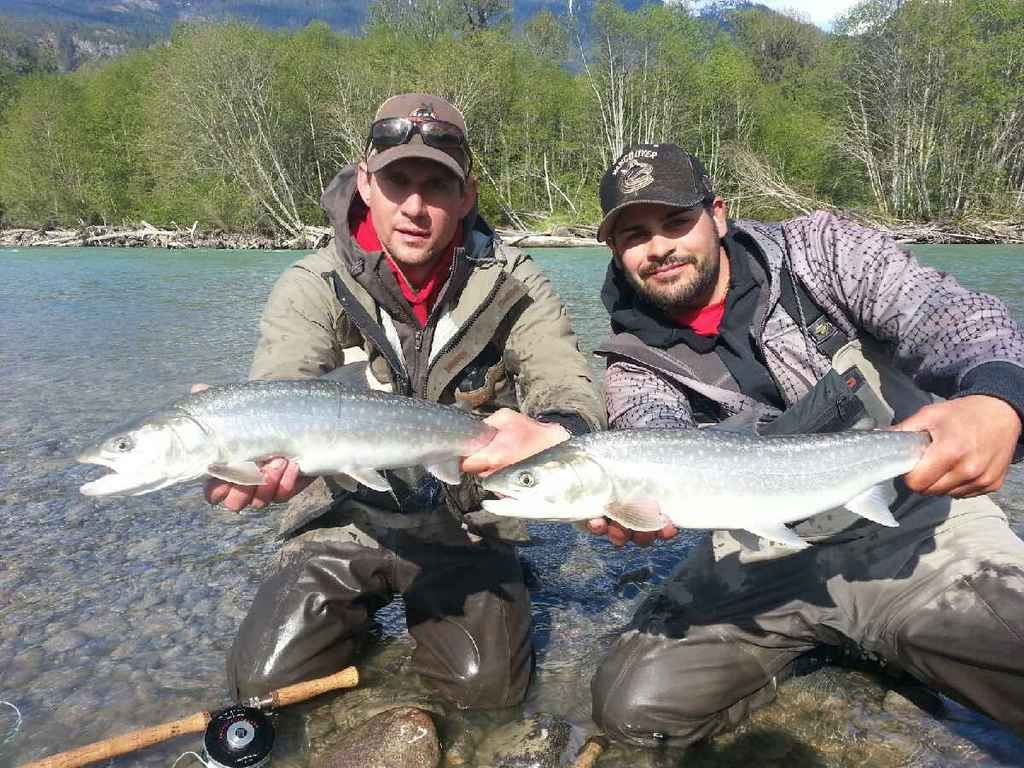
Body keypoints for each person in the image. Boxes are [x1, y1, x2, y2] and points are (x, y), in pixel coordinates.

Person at [587, 143, 1024, 745]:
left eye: (676, 222)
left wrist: (997, 399)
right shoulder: (631, 364)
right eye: (634, 234)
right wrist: (632, 512)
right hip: (766, 555)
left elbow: (954, 317)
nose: (658, 247)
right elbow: (647, 443)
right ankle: (812, 670)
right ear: (613, 250)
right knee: (630, 708)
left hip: (918, 525)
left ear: (718, 215)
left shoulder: (823, 252)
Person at [207, 93, 604, 708]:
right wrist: (249, 446)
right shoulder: (313, 285)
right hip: (345, 515)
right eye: (398, 182)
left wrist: (557, 432)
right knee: (262, 689)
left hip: (467, 520)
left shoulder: (513, 282)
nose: (415, 207)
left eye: (436, 186)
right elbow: (282, 383)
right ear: (366, 183)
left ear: (466, 195)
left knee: (486, 697)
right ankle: (362, 640)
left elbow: (566, 382)